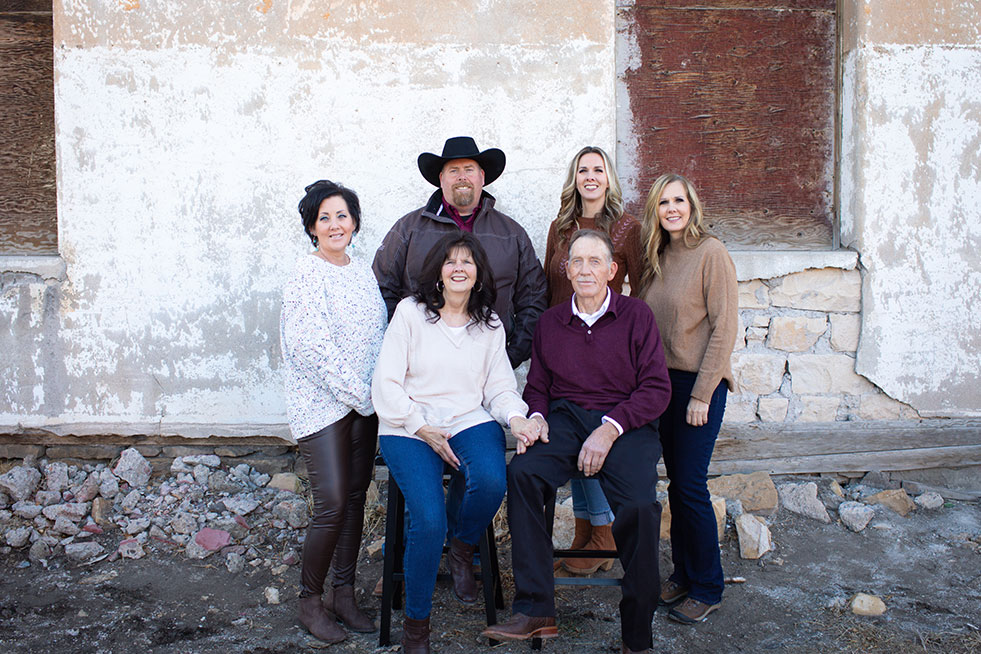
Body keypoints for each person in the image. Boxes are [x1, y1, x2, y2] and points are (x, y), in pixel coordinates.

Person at [483, 230, 671, 654]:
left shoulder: (636, 316)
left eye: (595, 261)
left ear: (611, 270)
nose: (585, 270)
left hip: (626, 423)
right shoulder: (551, 322)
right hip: (565, 419)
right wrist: (535, 418)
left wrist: (610, 428)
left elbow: (656, 389)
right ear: (565, 270)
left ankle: (637, 635)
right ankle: (535, 610)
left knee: (641, 507)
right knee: (524, 473)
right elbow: (539, 386)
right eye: (577, 262)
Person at [372, 232, 543, 654]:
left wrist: (517, 417)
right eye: (450, 261)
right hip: (407, 423)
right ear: (438, 272)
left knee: (489, 478)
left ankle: (462, 547)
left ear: (479, 273)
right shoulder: (412, 314)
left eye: (467, 261)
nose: (459, 268)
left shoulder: (489, 325)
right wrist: (418, 425)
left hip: (468, 418)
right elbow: (385, 382)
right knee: (427, 520)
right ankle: (416, 629)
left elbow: (500, 387)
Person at [280, 180, 387, 643]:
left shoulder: (362, 271)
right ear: (311, 228)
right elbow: (312, 349)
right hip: (322, 405)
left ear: (355, 223)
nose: (334, 224)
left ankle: (345, 594)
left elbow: (377, 336)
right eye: (324, 217)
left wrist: (375, 393)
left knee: (358, 497)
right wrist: (359, 394)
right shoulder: (306, 275)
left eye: (342, 215)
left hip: (364, 404)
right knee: (333, 503)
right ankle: (310, 601)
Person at [639, 173, 738, 625]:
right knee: (675, 485)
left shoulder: (710, 253)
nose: (672, 209)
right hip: (661, 386)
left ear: (692, 206)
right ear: (655, 211)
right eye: (664, 203)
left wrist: (703, 392)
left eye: (679, 200)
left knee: (692, 487)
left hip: (699, 386)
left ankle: (707, 586)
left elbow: (724, 326)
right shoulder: (657, 255)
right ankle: (682, 573)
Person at [543, 146, 645, 575]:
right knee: (571, 429)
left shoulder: (626, 228)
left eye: (597, 170)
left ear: (608, 178)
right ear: (575, 178)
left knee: (596, 429)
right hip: (563, 344)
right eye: (582, 169)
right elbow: (550, 284)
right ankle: (585, 528)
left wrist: (626, 340)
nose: (590, 176)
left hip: (606, 350)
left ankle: (603, 532)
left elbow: (641, 286)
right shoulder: (560, 226)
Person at [372, 135, 547, 369]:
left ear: (482, 177)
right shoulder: (408, 229)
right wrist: (404, 348)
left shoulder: (512, 234)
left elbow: (534, 298)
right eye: (453, 170)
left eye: (469, 169)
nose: (462, 177)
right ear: (441, 179)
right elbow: (379, 291)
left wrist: (510, 357)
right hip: (421, 368)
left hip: (490, 365)